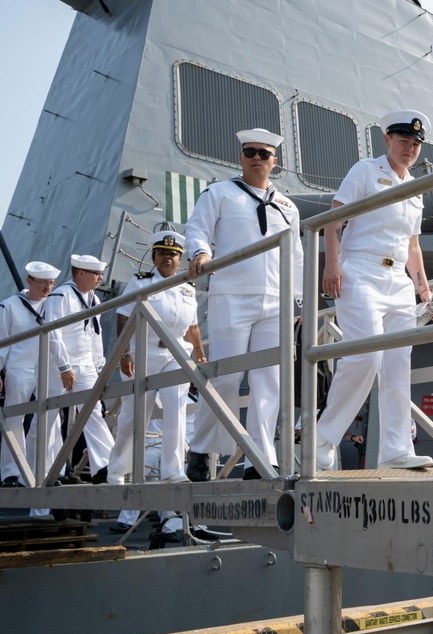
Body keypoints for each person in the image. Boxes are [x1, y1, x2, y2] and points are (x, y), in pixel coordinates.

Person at [315, 110, 433, 470]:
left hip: (398, 280)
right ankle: (324, 438)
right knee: (365, 356)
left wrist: (423, 286)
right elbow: (333, 221)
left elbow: (412, 245)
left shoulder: (415, 189)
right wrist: (331, 265)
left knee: (399, 365)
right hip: (361, 271)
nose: (409, 150)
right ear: (387, 139)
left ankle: (396, 449)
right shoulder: (365, 171)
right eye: (403, 142)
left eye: (415, 145)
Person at [184, 128, 304, 480]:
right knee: (226, 376)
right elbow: (198, 228)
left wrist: (296, 303)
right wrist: (200, 252)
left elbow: (295, 257)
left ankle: (259, 458)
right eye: (250, 152)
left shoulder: (288, 207)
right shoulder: (219, 194)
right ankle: (203, 449)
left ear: (274, 162)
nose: (256, 158)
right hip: (233, 296)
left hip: (276, 302)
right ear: (241, 157)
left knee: (270, 382)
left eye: (263, 154)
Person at [107, 231, 205, 485]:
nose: (168, 258)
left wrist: (200, 355)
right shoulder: (140, 283)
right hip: (144, 350)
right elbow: (123, 317)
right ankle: (118, 469)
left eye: (173, 254)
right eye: (163, 254)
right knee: (135, 412)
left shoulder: (188, 288)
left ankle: (173, 471)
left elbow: (192, 328)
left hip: (176, 352)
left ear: (180, 259)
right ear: (154, 257)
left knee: (177, 409)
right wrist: (125, 353)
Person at [39, 254, 116, 484]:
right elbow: (53, 333)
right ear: (80, 274)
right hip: (58, 366)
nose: (100, 277)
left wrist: (99, 365)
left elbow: (94, 335)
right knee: (51, 418)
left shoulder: (94, 300)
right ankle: (54, 471)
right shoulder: (60, 296)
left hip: (85, 365)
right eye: (96, 273)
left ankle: (105, 465)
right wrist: (64, 366)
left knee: (93, 410)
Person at [0, 261, 60, 487]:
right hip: (19, 366)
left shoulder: (55, 305)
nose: (47, 287)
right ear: (29, 281)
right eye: (43, 282)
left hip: (49, 368)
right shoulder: (9, 306)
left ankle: (46, 469)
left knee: (51, 419)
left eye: (51, 283)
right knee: (14, 419)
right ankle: (11, 472)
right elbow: (2, 341)